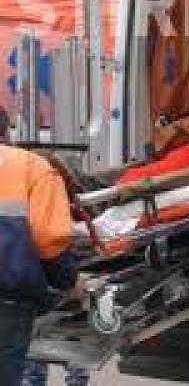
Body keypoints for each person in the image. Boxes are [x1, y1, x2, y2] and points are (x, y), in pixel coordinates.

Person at [0, 108, 81, 386]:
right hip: (8, 301)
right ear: (7, 132)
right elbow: (48, 238)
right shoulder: (33, 168)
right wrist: (68, 282)